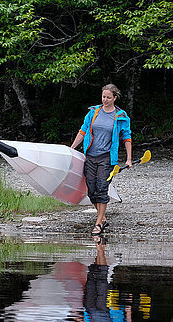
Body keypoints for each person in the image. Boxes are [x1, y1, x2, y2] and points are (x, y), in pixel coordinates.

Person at [70, 84, 132, 235]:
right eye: (103, 97)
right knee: (91, 190)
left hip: (107, 157)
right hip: (90, 156)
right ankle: (102, 217)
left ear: (115, 98)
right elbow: (83, 131)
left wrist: (129, 158)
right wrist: (71, 149)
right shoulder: (93, 112)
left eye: (108, 97)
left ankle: (98, 224)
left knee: (102, 187)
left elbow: (127, 137)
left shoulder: (121, 116)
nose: (105, 100)